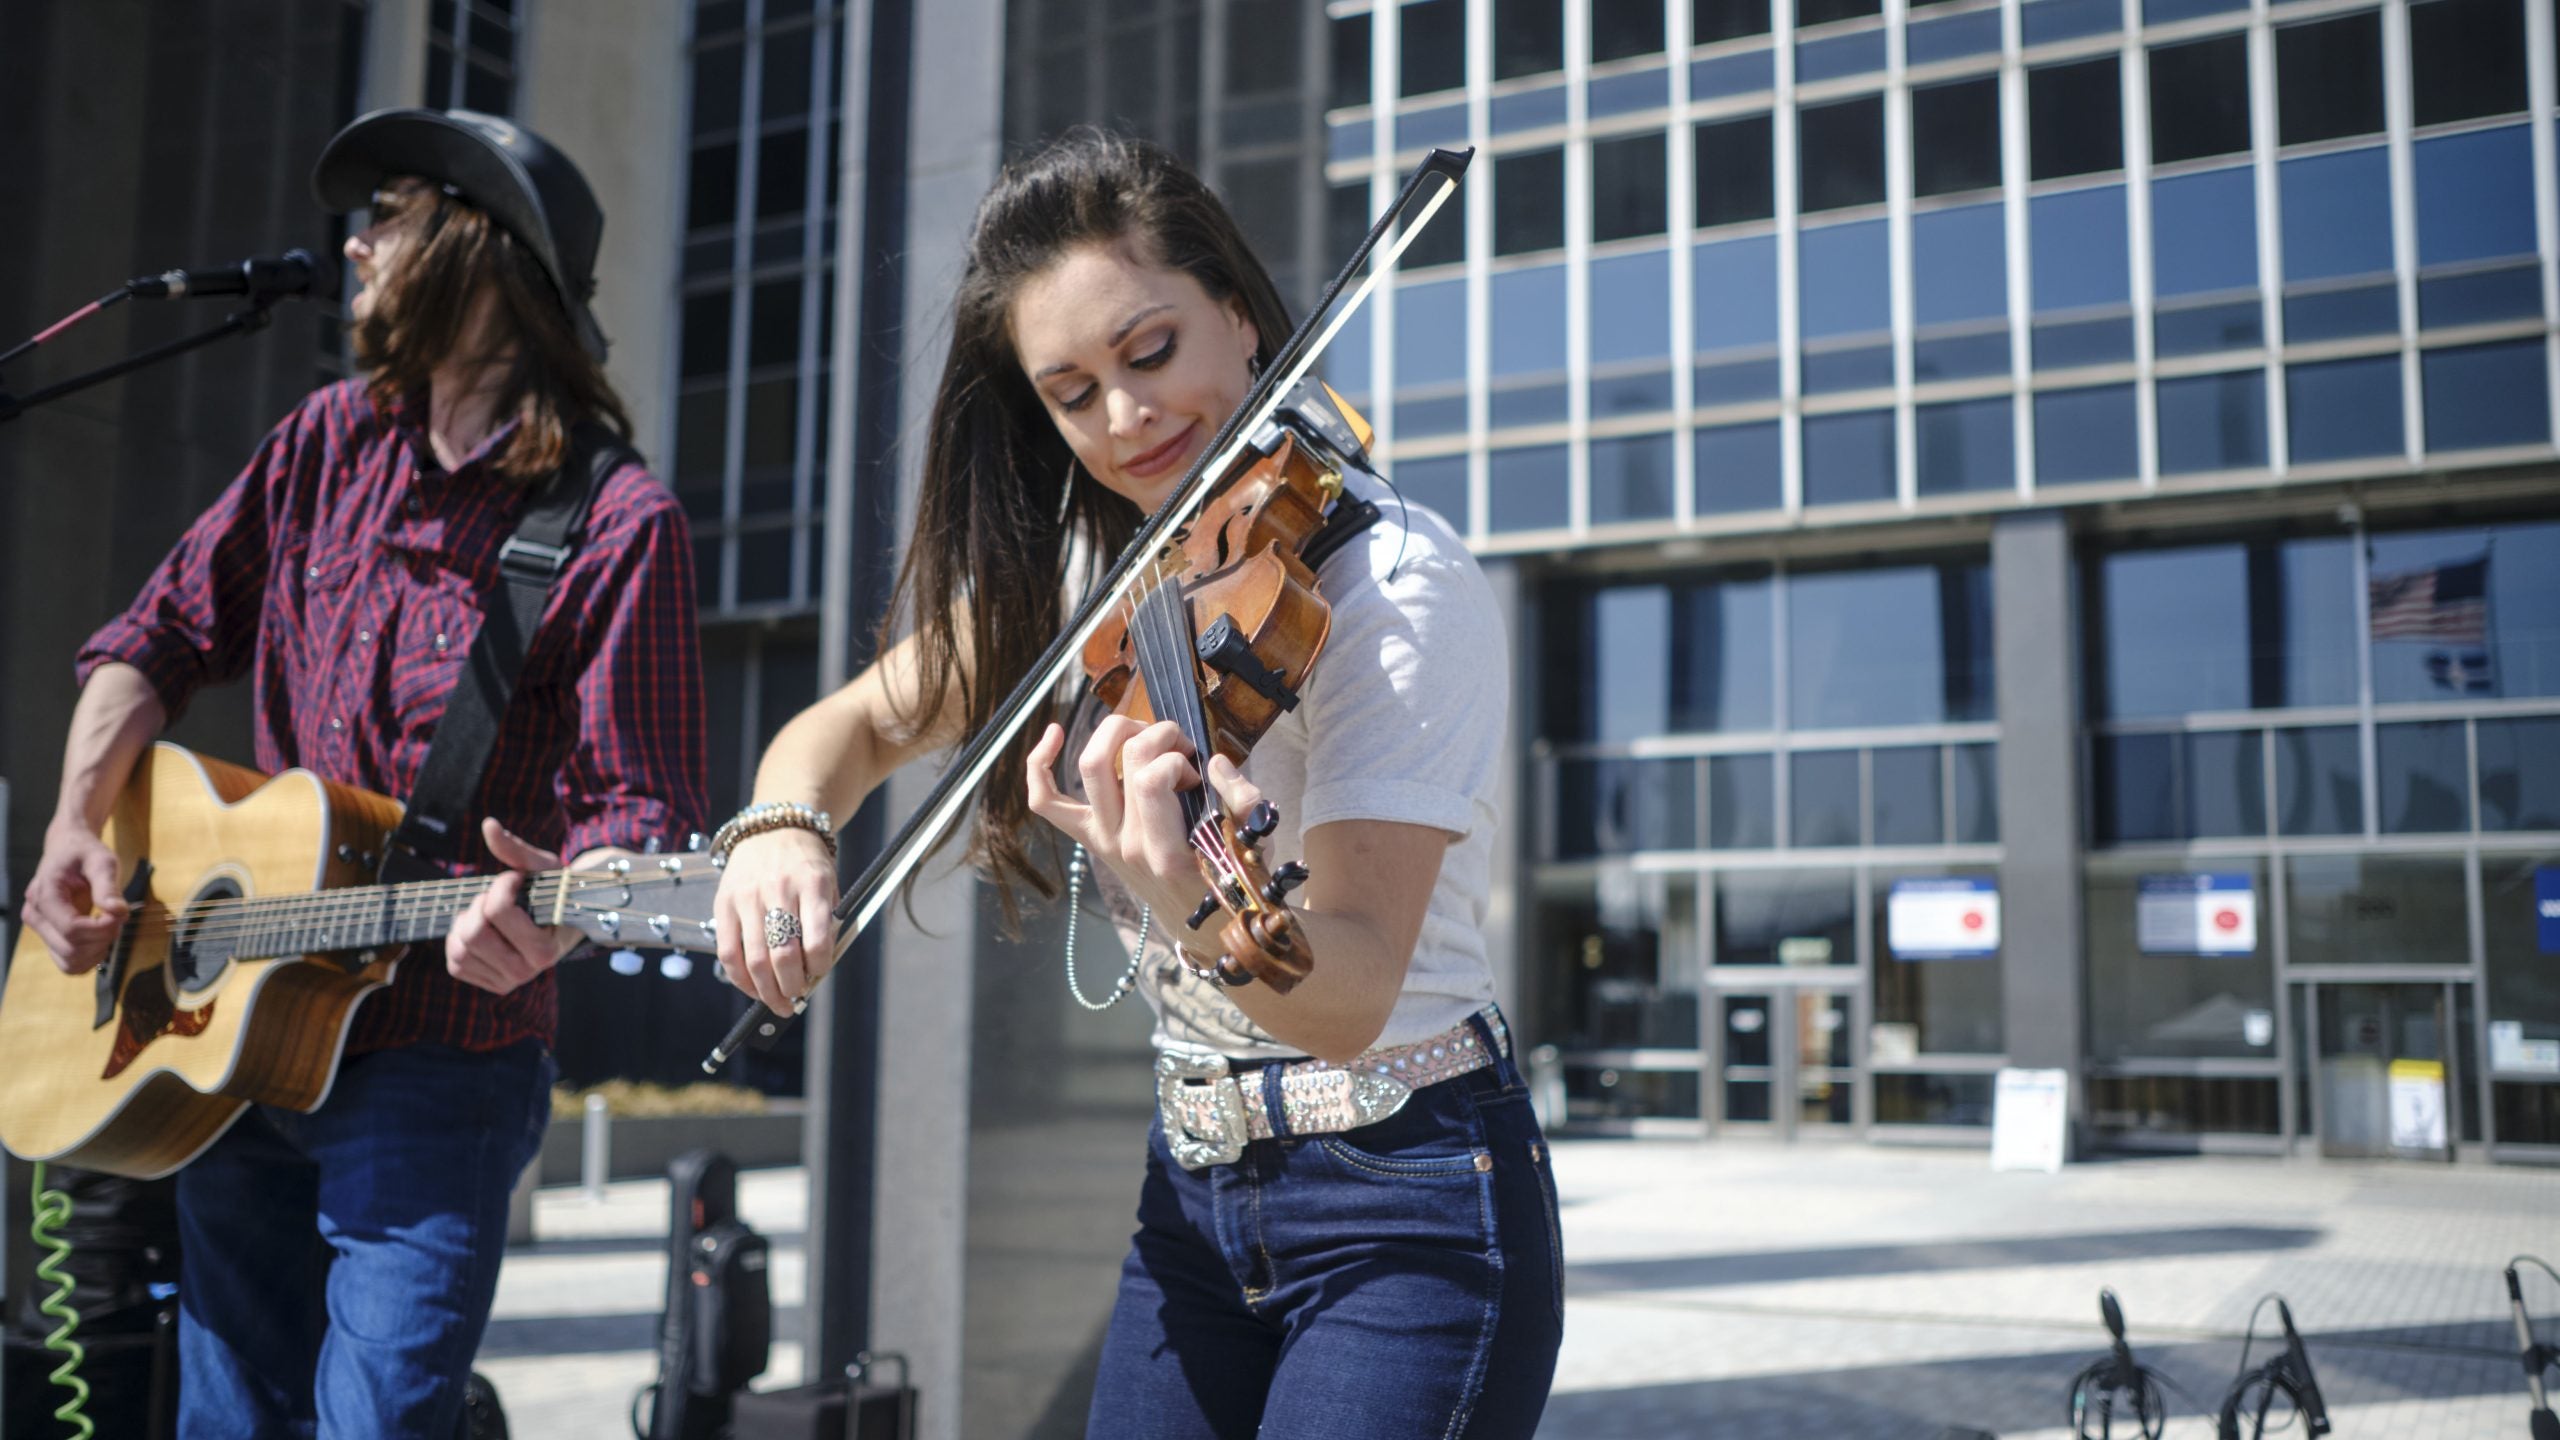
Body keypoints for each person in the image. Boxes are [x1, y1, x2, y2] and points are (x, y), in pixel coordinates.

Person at [709, 128, 1561, 1437]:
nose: (1127, 418)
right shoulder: (1086, 585)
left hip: (1409, 1197)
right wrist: (780, 826)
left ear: (1233, 311)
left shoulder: (1394, 591)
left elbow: (1349, 995)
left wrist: (1182, 892)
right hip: (1194, 1188)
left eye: (1150, 351)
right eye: (1072, 391)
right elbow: (848, 732)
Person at [17, 108, 708, 1438]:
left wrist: (553, 924)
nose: (354, 243)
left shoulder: (619, 525)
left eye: (388, 212)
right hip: (227, 1052)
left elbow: (643, 821)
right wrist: (73, 825)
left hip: (437, 1060)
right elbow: (154, 638)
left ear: (477, 252)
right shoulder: (323, 445)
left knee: (381, 1423)